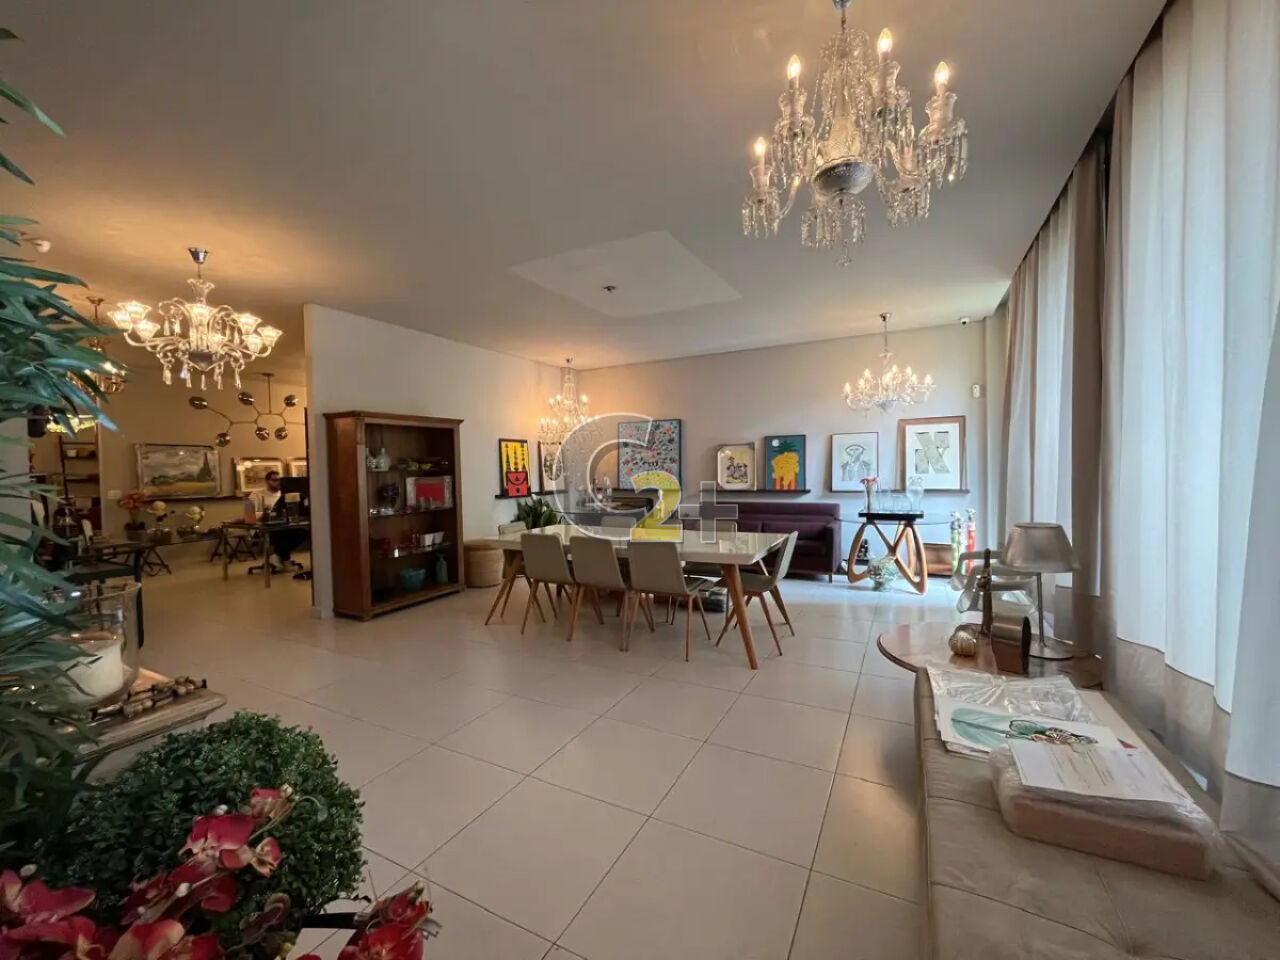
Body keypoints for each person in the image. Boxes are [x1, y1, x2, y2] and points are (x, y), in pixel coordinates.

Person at [260, 470, 307, 572]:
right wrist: (266, 513)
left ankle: (276, 557)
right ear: (267, 481)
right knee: (280, 533)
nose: (277, 483)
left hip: (284, 524)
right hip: (264, 527)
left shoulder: (285, 495)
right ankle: (285, 562)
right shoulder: (257, 494)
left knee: (302, 533)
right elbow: (253, 513)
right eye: (274, 480)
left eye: (279, 480)